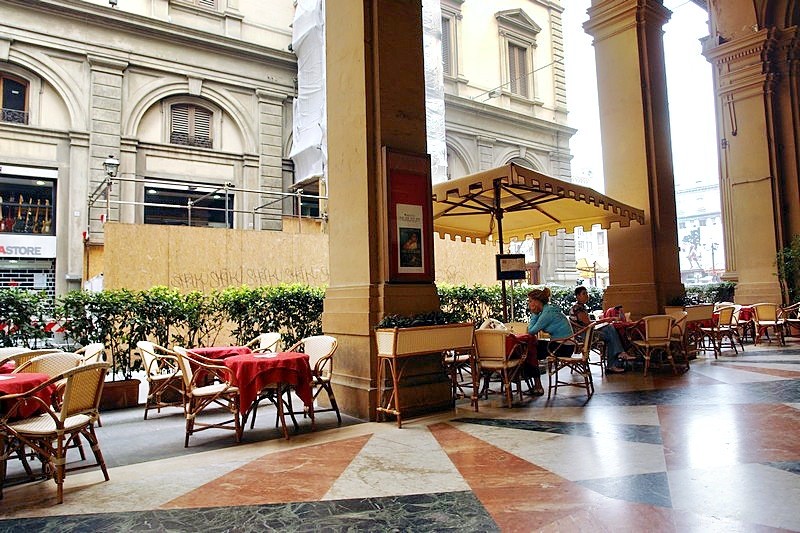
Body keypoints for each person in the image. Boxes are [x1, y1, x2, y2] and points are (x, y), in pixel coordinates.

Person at [570, 286, 631, 374]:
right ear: (577, 296)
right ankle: (615, 359)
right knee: (611, 334)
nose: (587, 295)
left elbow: (588, 323)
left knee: (609, 328)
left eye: (587, 293)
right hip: (584, 336)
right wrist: (606, 319)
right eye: (584, 294)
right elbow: (588, 323)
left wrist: (604, 321)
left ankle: (618, 355)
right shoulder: (577, 308)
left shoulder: (581, 307)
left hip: (587, 332)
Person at [527, 287, 575, 361]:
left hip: (563, 348)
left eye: (530, 301)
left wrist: (534, 314)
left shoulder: (547, 313)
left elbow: (531, 331)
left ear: (537, 302)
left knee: (529, 346)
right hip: (565, 345)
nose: (529, 304)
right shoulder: (548, 309)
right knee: (533, 345)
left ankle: (528, 368)